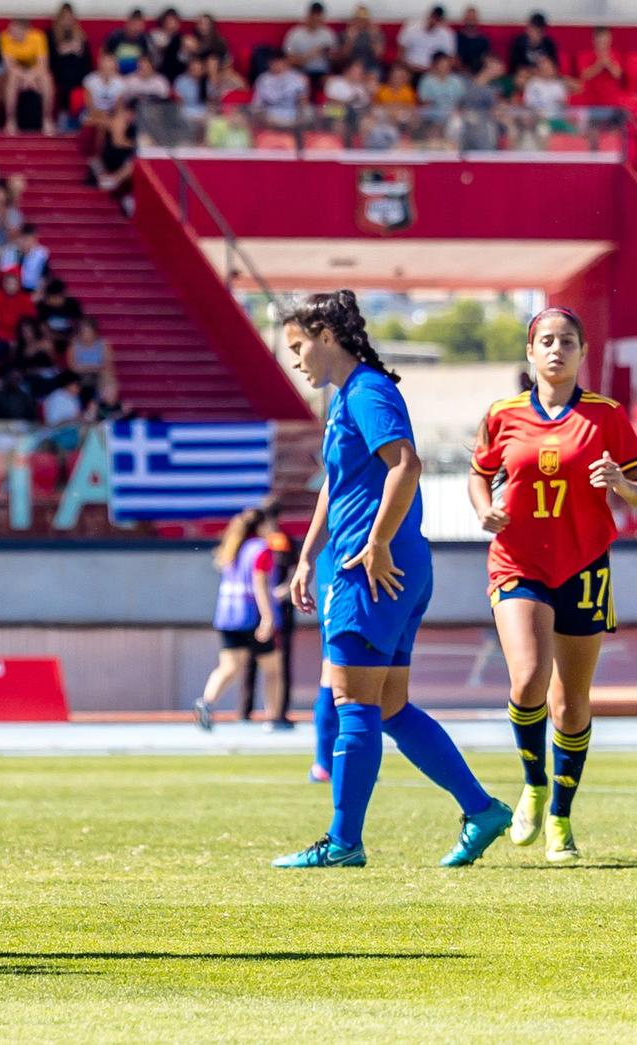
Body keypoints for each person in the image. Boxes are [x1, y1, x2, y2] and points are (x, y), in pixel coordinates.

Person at [273, 291, 511, 870]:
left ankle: (343, 842)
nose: (296, 360)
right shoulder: (346, 399)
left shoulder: (369, 391)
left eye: (299, 347)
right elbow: (340, 481)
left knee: (352, 699)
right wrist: (307, 557)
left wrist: (375, 543)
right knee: (390, 706)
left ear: (328, 336)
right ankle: (481, 811)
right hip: (388, 565)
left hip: (372, 566)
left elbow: (406, 463)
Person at [468, 307, 637, 863]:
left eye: (567, 341)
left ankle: (561, 817)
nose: (556, 349)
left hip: (584, 564)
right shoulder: (502, 414)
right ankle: (533, 784)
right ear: (530, 352)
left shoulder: (609, 417)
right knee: (529, 677)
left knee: (570, 704)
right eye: (546, 341)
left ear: (583, 352)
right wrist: (483, 509)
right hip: (517, 561)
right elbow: (479, 472)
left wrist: (620, 484)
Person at [194, 507, 281, 728]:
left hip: (228, 616)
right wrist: (268, 617)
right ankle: (273, 717)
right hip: (251, 616)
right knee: (272, 669)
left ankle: (206, 702)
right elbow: (259, 584)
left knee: (229, 667)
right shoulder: (261, 549)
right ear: (261, 525)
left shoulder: (232, 548)